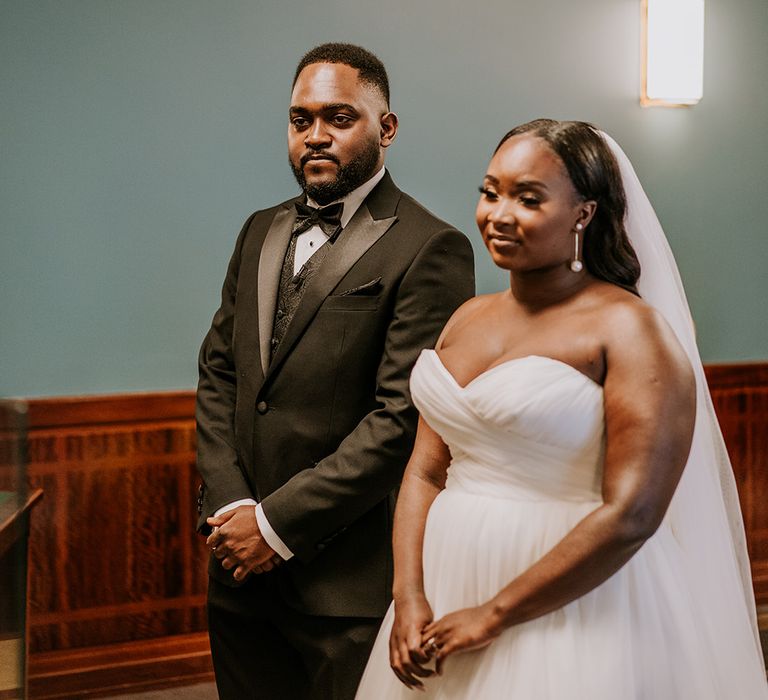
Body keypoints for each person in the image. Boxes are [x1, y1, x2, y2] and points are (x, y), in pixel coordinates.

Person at [356, 120, 768, 698]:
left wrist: (495, 613)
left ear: (583, 214)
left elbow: (634, 513)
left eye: (528, 198)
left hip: (577, 602)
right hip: (446, 582)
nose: (499, 214)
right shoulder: (466, 319)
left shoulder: (631, 331)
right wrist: (409, 595)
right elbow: (425, 470)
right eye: (491, 191)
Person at [195, 43, 475, 699]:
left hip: (345, 582)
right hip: (237, 568)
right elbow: (219, 378)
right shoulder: (258, 231)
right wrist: (235, 508)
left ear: (387, 128)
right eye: (300, 119)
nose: (315, 135)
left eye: (339, 117)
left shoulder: (430, 247)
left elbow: (401, 420)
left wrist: (276, 526)